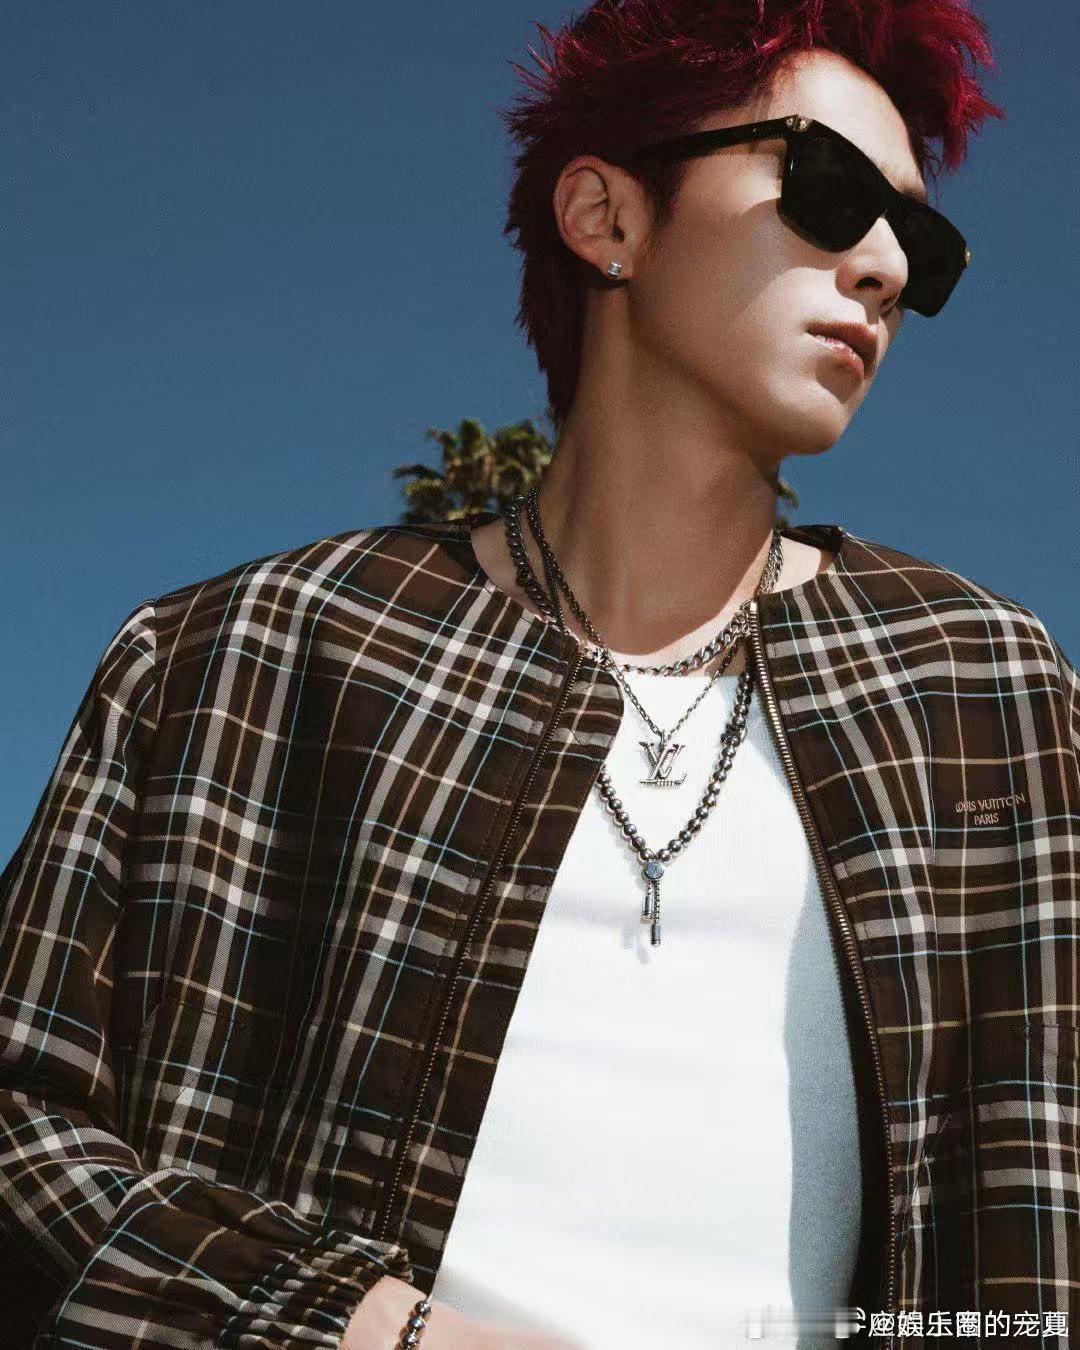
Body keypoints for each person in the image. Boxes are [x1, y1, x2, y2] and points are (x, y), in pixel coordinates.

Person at [1, 2, 1077, 1347]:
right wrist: (368, 1328)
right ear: (605, 215)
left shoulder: (983, 690)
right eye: (827, 186)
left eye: (921, 241)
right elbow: (22, 1131)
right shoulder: (247, 656)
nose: (882, 267)